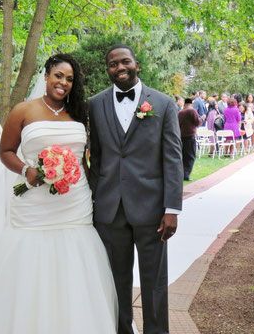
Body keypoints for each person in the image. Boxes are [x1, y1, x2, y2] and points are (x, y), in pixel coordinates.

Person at [0, 54, 118, 333]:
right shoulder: (23, 111)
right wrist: (27, 170)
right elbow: (5, 152)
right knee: (29, 261)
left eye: (69, 79)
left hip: (74, 203)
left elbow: (85, 159)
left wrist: (88, 185)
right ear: (46, 76)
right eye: (58, 76)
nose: (63, 83)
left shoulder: (79, 113)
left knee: (74, 262)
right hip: (34, 203)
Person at [88, 44, 183, 334]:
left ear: (136, 64)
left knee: (154, 281)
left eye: (124, 62)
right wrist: (95, 197)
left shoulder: (163, 104)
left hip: (152, 210)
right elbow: (97, 157)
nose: (119, 68)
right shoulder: (95, 104)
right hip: (110, 209)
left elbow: (172, 157)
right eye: (112, 64)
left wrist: (171, 208)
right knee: (115, 281)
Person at [178, 97, 201, 180]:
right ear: (191, 104)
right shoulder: (192, 111)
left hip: (181, 136)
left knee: (183, 156)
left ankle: (181, 173)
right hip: (190, 136)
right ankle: (186, 175)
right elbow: (197, 122)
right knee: (190, 156)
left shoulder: (180, 112)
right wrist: (202, 118)